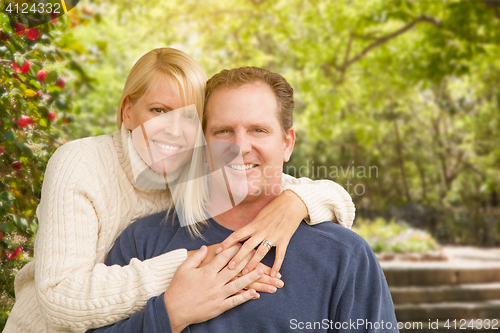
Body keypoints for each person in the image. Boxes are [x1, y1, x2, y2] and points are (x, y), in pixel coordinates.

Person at [3, 49, 355, 333]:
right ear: (127, 111)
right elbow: (60, 300)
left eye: (189, 117)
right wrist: (190, 267)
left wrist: (296, 202)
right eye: (158, 110)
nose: (174, 130)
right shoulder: (80, 163)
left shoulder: (197, 163)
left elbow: (267, 177)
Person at [87, 67, 398, 333]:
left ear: (287, 143)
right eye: (223, 131)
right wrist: (169, 314)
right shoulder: (143, 241)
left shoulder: (343, 255)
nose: (239, 146)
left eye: (258, 130)